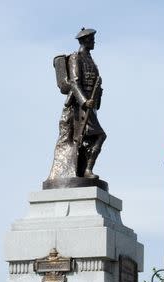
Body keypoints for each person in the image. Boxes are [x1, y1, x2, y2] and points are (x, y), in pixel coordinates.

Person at [47, 27, 106, 183]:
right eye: (91, 39)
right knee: (99, 136)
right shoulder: (76, 58)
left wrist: (98, 93)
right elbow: (74, 82)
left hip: (90, 106)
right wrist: (84, 101)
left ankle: (84, 169)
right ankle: (87, 170)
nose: (93, 42)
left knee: (93, 138)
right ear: (84, 41)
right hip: (79, 107)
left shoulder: (91, 60)